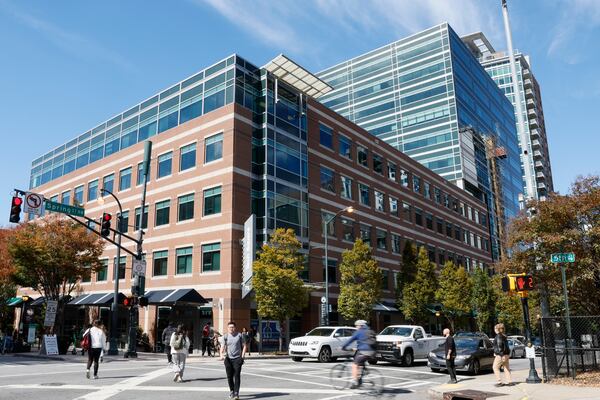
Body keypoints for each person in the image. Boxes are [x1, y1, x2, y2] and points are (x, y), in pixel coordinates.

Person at [341, 319, 376, 389]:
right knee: (360, 363)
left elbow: (350, 341)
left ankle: (355, 382)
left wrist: (343, 347)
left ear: (360, 326)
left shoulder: (358, 332)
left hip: (364, 352)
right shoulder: (370, 331)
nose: (356, 327)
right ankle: (360, 379)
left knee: (354, 365)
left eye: (357, 325)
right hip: (373, 352)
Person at [220, 321, 247, 400]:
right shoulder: (225, 336)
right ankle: (232, 390)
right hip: (228, 359)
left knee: (237, 375)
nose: (231, 329)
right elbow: (222, 346)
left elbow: (244, 346)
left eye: (232, 327)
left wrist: (242, 357)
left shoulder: (239, 335)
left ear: (235, 328)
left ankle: (236, 393)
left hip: (237, 358)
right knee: (229, 377)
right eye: (230, 327)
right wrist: (221, 355)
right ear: (227, 328)